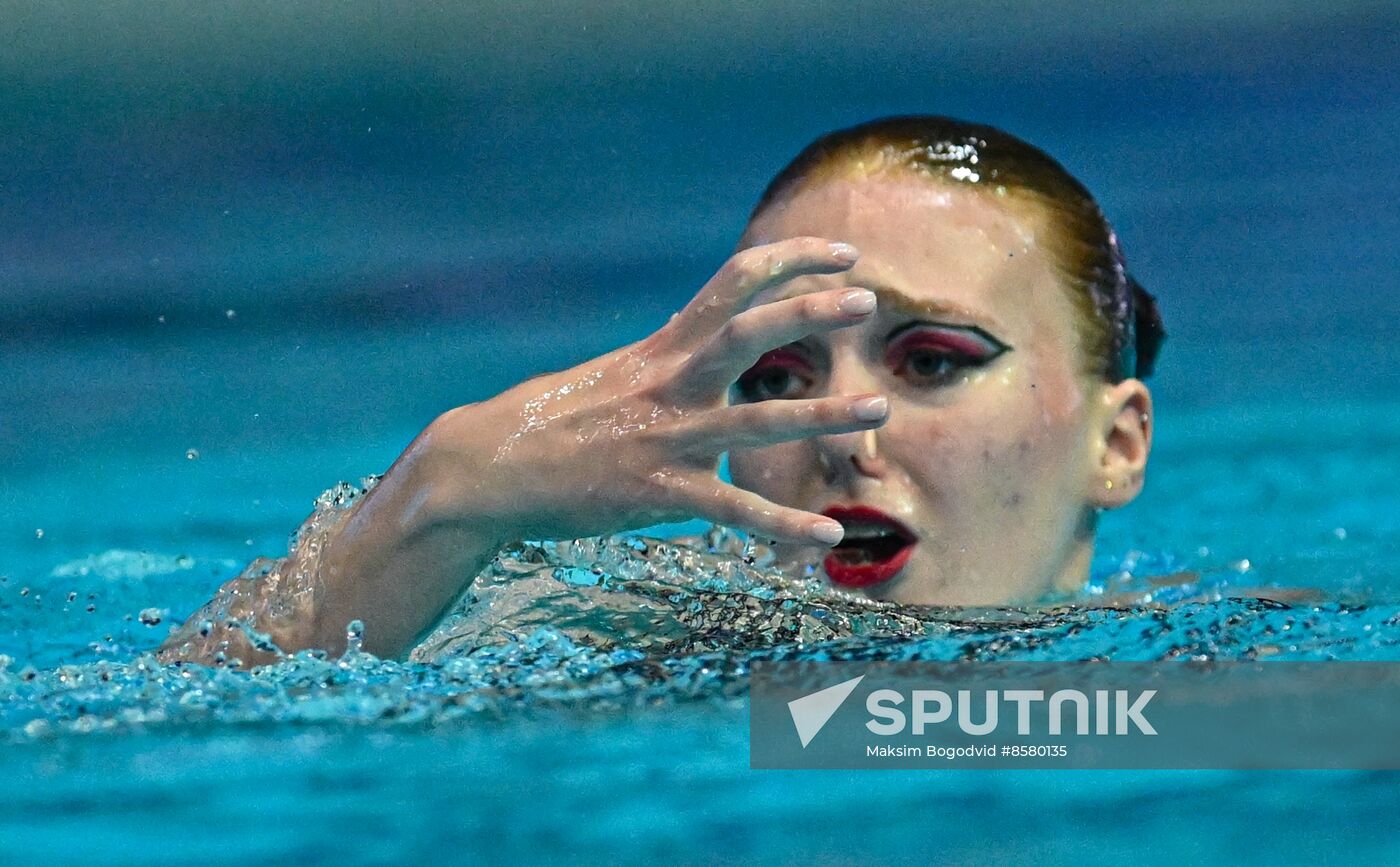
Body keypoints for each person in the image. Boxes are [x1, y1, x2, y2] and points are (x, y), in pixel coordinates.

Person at [159, 115, 1164, 666]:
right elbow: (168, 724)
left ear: (1113, 445)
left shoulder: (1223, 688)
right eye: (775, 375)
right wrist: (442, 494)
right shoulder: (617, 638)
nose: (842, 435)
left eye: (930, 361)